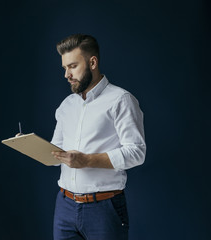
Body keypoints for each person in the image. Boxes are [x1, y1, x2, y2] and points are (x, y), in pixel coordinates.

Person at [50, 34, 146, 240]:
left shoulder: (121, 100)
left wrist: (86, 160)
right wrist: (30, 146)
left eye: (73, 66)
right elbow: (55, 151)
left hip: (104, 208)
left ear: (92, 62)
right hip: (64, 206)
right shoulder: (67, 105)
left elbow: (137, 152)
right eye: (64, 68)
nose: (67, 74)